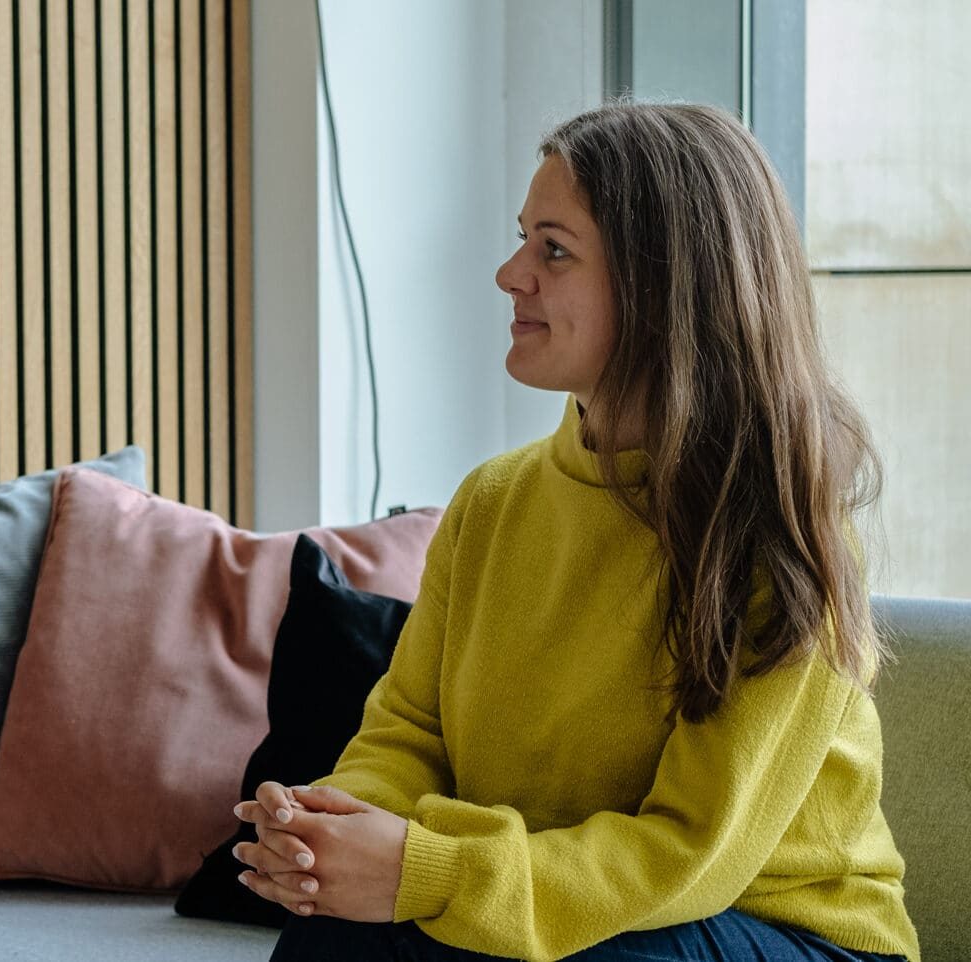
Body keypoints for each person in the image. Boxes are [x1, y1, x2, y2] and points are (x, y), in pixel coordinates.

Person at [230, 103, 919, 962]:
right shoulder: (491, 504)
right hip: (566, 906)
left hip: (779, 929)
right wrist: (330, 830)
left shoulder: (775, 536)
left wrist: (430, 872)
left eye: (553, 250)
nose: (509, 273)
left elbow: (690, 856)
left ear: (665, 287)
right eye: (523, 239)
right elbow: (406, 736)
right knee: (331, 939)